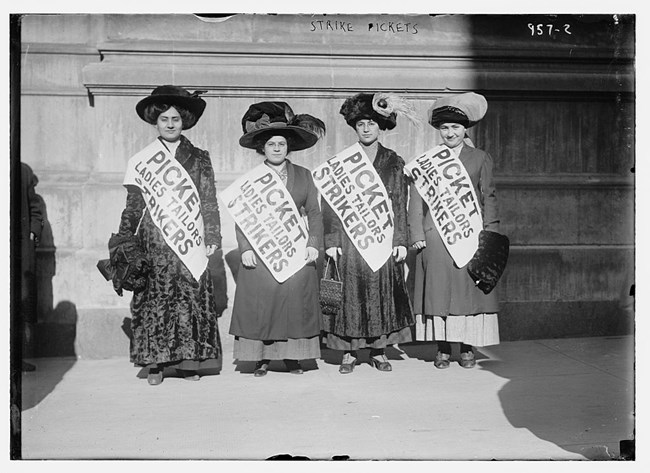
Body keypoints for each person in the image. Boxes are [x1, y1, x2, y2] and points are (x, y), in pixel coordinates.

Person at [116, 85, 223, 385]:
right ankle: (156, 365)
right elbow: (133, 205)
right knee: (155, 301)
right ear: (156, 122)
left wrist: (213, 235)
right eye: (164, 119)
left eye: (176, 118)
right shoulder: (142, 160)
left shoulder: (200, 158)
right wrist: (125, 239)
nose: (171, 124)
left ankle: (189, 362)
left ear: (184, 120)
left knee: (189, 299)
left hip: (190, 238)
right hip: (154, 240)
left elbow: (209, 200)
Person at [229, 101, 325, 377]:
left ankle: (294, 357)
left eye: (281, 143)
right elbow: (242, 216)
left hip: (294, 247)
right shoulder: (252, 179)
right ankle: (261, 358)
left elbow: (315, 214)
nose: (276, 148)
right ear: (262, 148)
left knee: (295, 299)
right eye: (270, 144)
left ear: (288, 147)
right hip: (262, 248)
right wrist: (245, 248)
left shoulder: (304, 176)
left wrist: (312, 243)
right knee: (263, 299)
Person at [323, 92, 415, 374]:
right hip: (350, 241)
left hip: (382, 238)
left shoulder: (393, 161)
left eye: (372, 123)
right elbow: (330, 206)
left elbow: (400, 201)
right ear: (354, 127)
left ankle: (378, 350)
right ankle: (350, 352)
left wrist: (400, 240)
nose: (366, 128)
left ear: (381, 127)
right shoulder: (341, 162)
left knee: (380, 294)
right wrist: (332, 241)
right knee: (351, 296)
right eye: (361, 123)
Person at [408, 92, 500, 369]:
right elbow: (416, 200)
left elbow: (489, 197)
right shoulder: (427, 161)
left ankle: (467, 348)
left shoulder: (480, 158)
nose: (450, 132)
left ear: (465, 129)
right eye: (445, 128)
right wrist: (417, 234)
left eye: (455, 127)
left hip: (470, 234)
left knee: (466, 293)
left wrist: (490, 233)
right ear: (439, 130)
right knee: (439, 293)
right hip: (435, 236)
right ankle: (443, 348)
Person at [20, 162, 45, 372]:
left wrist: (33, 231)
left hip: (19, 250)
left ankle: (16, 358)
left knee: (21, 302)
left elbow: (34, 207)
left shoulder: (23, 171)